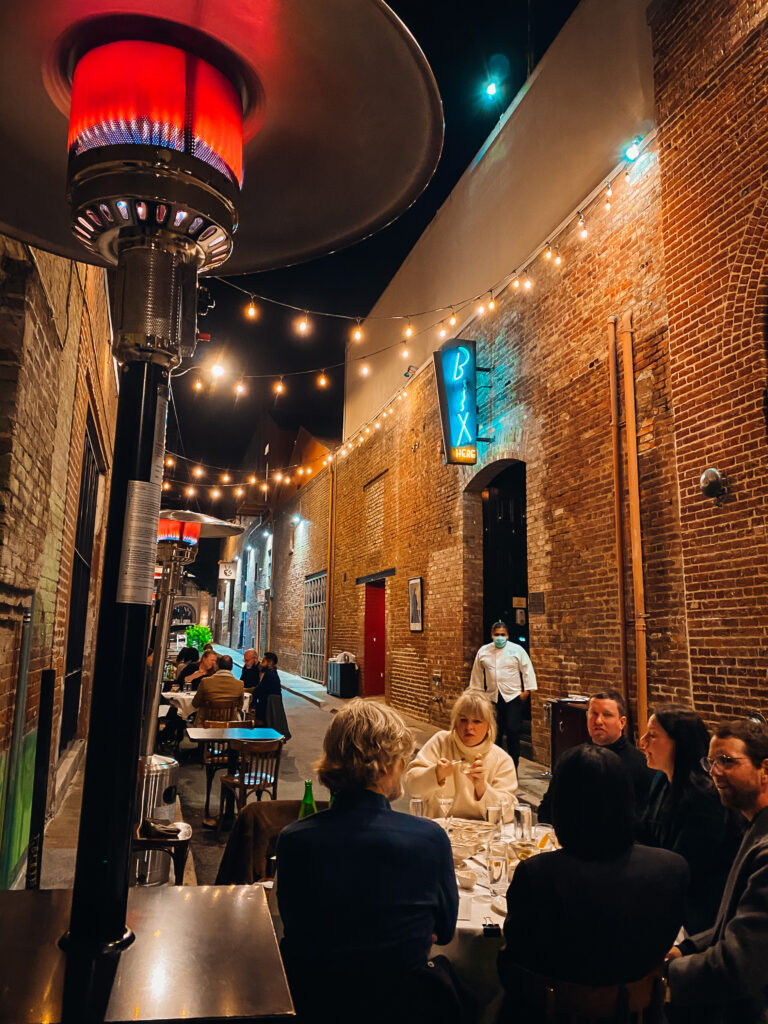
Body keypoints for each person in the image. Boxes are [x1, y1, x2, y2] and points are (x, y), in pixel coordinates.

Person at [277, 700, 460, 1024]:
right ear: (386, 765)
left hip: (317, 1005)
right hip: (402, 1009)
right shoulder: (429, 840)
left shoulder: (295, 841)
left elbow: (297, 928)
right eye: (402, 759)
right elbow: (444, 932)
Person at [497, 744, 688, 1019]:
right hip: (638, 1014)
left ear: (562, 805)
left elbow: (517, 953)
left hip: (552, 1014)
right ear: (627, 799)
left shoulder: (538, 874)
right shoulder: (672, 869)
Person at [666, 718, 768, 1024]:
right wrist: (686, 948)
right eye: (711, 761)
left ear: (765, 769)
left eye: (727, 761)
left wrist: (663, 977)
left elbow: (737, 966)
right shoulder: (754, 823)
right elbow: (736, 922)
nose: (714, 772)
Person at [638, 706, 743, 934]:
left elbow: (685, 867)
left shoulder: (704, 798)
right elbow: (644, 834)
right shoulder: (662, 780)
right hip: (668, 897)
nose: (642, 742)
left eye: (652, 735)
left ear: (679, 742)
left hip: (701, 917)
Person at [537, 689, 654, 823]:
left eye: (607, 715)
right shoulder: (570, 759)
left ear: (622, 722)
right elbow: (547, 809)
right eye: (594, 714)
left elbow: (643, 821)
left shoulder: (640, 765)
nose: (598, 721)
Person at [404, 691, 518, 819]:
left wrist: (482, 787)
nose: (469, 727)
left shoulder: (501, 759)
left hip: (482, 834)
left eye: (476, 721)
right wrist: (436, 773)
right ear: (455, 723)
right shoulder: (441, 742)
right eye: (463, 720)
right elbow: (412, 787)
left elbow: (508, 814)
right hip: (439, 831)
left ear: (488, 726)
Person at [469, 620, 536, 769]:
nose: (500, 637)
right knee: (494, 732)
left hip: (512, 696)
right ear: (492, 635)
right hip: (492, 697)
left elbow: (527, 669)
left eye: (503, 635)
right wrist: (477, 694)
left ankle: (513, 767)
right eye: (497, 635)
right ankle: (495, 767)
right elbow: (477, 674)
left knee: (513, 731)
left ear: (508, 636)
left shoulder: (517, 650)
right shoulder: (484, 651)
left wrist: (527, 690)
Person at [250, 651, 281, 723]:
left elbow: (257, 691)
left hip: (267, 709)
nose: (261, 663)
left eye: (263, 661)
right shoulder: (272, 673)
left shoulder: (269, 675)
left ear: (270, 663)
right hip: (269, 706)